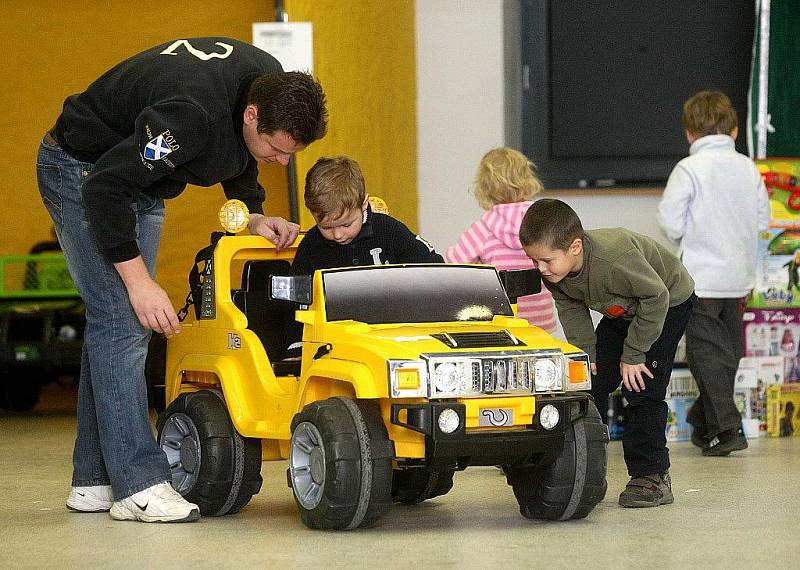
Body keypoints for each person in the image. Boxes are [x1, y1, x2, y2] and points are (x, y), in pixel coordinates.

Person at [36, 37, 328, 523]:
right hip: (83, 171)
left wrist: (253, 215)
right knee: (125, 319)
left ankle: (94, 480)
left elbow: (239, 154)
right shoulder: (189, 116)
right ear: (253, 115)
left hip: (142, 181)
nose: (281, 162)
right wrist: (139, 282)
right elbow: (107, 187)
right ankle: (140, 484)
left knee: (114, 326)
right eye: (277, 150)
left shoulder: (266, 78)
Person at [520, 199, 695, 508]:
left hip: (666, 305)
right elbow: (572, 311)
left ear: (575, 247)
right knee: (589, 382)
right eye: (535, 261)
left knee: (640, 386)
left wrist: (634, 354)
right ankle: (584, 468)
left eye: (546, 261)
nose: (541, 269)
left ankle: (651, 475)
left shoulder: (614, 258)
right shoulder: (556, 275)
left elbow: (657, 297)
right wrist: (587, 355)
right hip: (624, 311)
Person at [658, 90, 769, 457]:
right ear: (735, 131)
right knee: (729, 352)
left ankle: (725, 428)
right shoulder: (748, 167)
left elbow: (670, 222)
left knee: (707, 353)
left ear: (689, 134)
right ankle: (706, 424)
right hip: (738, 277)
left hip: (700, 279)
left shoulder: (689, 169)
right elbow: (763, 220)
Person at [445, 148, 556, 332]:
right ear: (528, 180)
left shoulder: (484, 229)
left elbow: (451, 267)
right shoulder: (542, 222)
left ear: (484, 188)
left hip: (499, 324)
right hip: (540, 325)